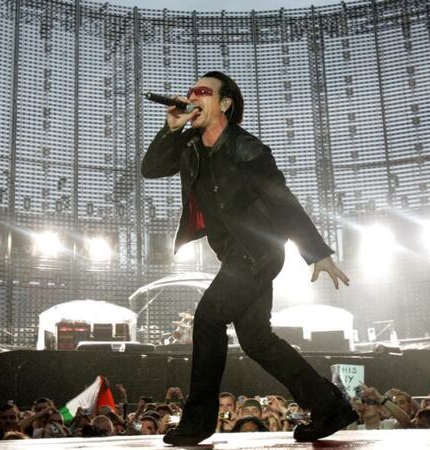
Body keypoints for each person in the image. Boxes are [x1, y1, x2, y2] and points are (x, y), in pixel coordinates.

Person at [141, 71, 355, 446]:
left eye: (203, 92)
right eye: (192, 91)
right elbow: (152, 168)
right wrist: (170, 126)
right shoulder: (191, 144)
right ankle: (329, 404)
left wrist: (316, 252)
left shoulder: (246, 147)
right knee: (256, 340)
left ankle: (198, 421)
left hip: (259, 250)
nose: (193, 96)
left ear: (225, 103)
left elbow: (282, 199)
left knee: (208, 319)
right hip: (235, 255)